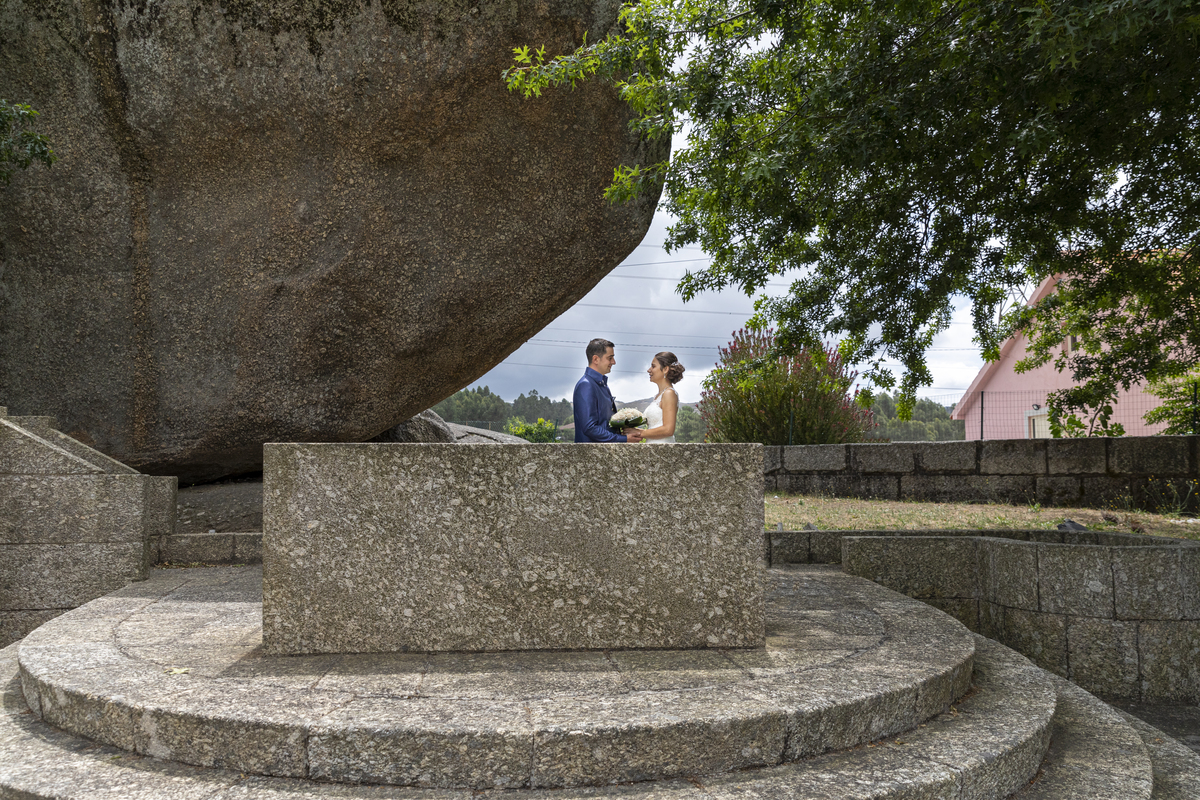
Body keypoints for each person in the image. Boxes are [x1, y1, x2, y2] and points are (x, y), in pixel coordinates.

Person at [573, 338, 644, 443]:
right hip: (590, 455)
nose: (614, 362)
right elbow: (589, 428)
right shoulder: (586, 385)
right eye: (610, 358)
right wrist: (623, 439)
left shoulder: (603, 385)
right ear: (596, 359)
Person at [640, 352, 684, 443]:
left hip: (663, 447)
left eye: (653, 366)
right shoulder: (657, 396)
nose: (649, 370)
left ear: (665, 369)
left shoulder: (669, 393)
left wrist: (640, 433)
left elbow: (668, 430)